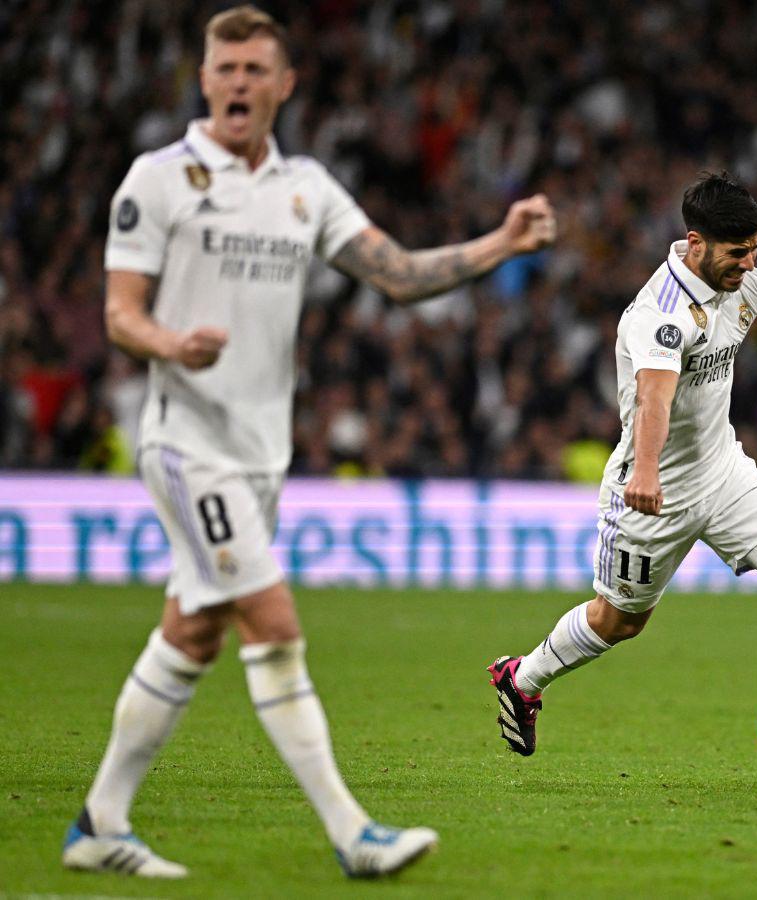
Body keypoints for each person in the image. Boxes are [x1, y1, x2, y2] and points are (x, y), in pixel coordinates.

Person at [64, 5, 556, 880]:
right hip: (186, 445)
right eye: (226, 68)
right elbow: (119, 313)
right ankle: (353, 833)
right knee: (275, 624)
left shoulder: (305, 190)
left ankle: (100, 823)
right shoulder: (158, 180)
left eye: (257, 69)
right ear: (204, 78)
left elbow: (398, 275)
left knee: (193, 633)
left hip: (262, 454)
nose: (239, 83)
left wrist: (499, 244)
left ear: (285, 84)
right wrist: (170, 344)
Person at [489, 172, 757, 783]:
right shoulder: (661, 313)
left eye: (755, 249)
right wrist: (645, 471)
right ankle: (522, 678)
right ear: (695, 242)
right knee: (619, 621)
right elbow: (654, 397)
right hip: (654, 492)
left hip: (722, 471)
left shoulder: (746, 284)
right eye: (737, 252)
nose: (749, 263)